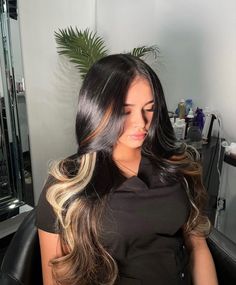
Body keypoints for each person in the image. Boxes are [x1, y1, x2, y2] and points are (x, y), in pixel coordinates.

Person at [36, 54, 218, 285]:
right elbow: (54, 278)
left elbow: (197, 247)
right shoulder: (66, 184)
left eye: (149, 109)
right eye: (126, 110)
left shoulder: (175, 165)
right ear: (96, 110)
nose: (141, 123)